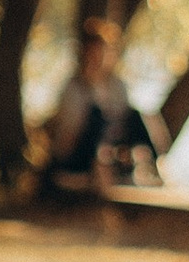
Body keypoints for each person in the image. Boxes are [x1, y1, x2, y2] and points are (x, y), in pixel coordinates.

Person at [48, 18, 164, 188]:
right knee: (96, 116)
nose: (98, 59)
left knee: (135, 115)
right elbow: (70, 132)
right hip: (78, 151)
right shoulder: (74, 87)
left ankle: (153, 166)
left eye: (103, 53)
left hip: (111, 144)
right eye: (94, 53)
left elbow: (124, 119)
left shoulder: (117, 85)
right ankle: (95, 173)